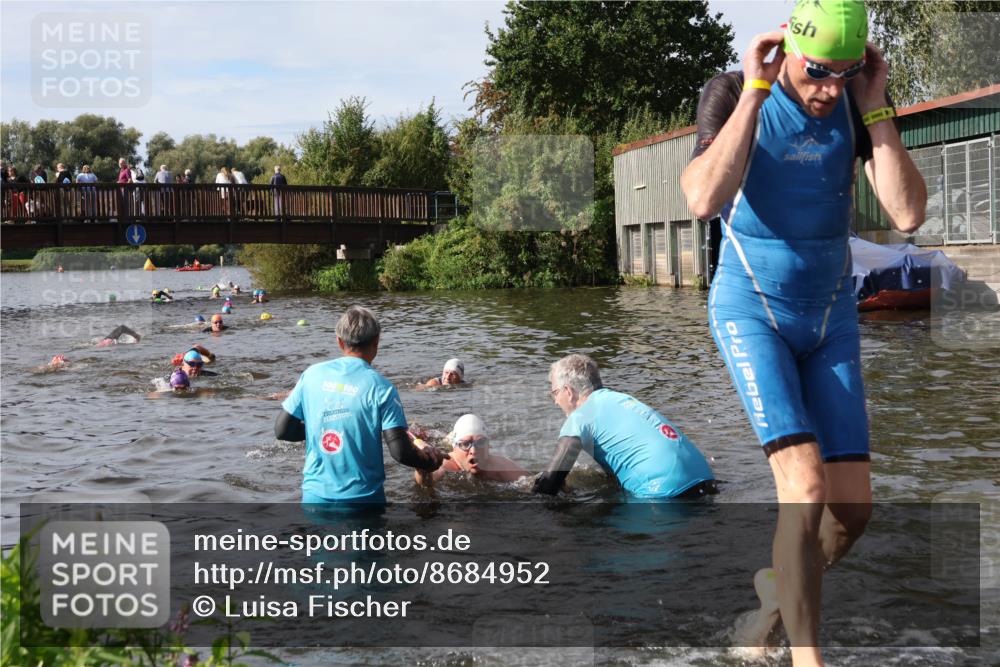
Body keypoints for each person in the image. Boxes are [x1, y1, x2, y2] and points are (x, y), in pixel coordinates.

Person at [679, 2, 926, 664]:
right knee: (806, 487)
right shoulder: (732, 91)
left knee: (853, 512)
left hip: (830, 318)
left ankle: (775, 596)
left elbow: (907, 211)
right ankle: (808, 658)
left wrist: (873, 105)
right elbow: (702, 198)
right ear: (785, 48)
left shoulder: (855, 100)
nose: (827, 91)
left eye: (844, 76)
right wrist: (756, 94)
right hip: (751, 311)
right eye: (818, 73)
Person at [274, 305, 448, 504]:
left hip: (314, 498)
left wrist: (324, 427)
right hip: (363, 501)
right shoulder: (382, 388)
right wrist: (428, 461)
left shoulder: (311, 375)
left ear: (339, 341)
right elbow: (400, 452)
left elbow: (282, 430)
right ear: (376, 341)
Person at [533, 354, 716, 500]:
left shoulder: (580, 416)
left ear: (569, 391)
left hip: (665, 494)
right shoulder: (622, 399)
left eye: (555, 393)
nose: (556, 402)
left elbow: (549, 486)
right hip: (707, 481)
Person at [414, 414, 528, 486]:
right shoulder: (445, 465)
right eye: (465, 444)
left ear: (488, 446)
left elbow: (531, 482)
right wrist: (423, 468)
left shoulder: (500, 465)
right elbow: (425, 483)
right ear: (455, 448)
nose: (473, 450)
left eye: (481, 443)